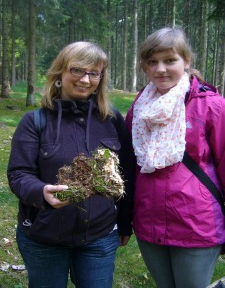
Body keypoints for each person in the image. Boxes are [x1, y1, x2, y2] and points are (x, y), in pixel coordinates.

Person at [7, 41, 135, 288]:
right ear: (60, 73)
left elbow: (127, 172)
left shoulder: (112, 120)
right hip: (44, 236)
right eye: (77, 70)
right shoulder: (35, 121)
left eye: (94, 73)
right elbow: (18, 174)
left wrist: (125, 222)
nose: (85, 80)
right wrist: (41, 192)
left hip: (99, 235)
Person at [125, 26, 225, 288]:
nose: (161, 69)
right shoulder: (139, 106)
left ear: (186, 61)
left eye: (170, 60)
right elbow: (130, 165)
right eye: (152, 62)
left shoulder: (211, 105)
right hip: (149, 222)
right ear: (145, 66)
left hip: (197, 224)